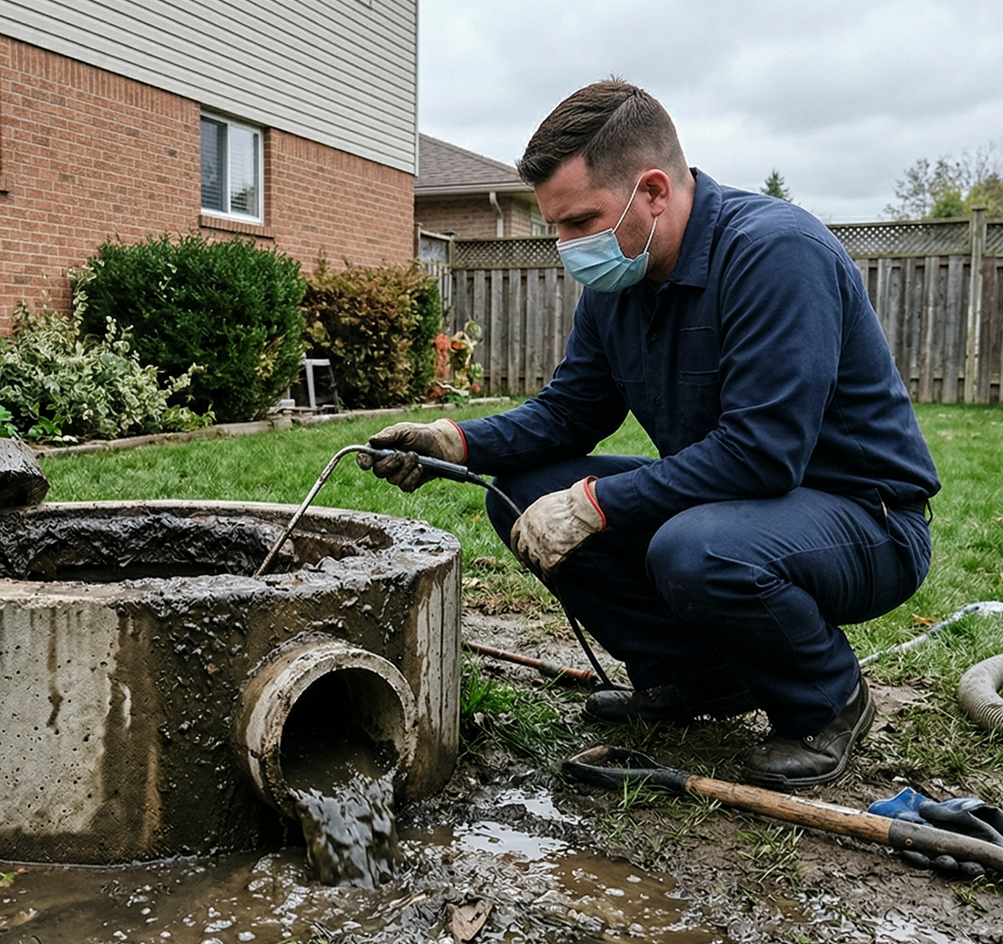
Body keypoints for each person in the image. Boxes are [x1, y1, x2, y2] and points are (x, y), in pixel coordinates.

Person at [363, 80, 939, 790]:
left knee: (694, 550)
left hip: (865, 518)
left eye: (580, 221)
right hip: (745, 504)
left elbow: (762, 455)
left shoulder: (776, 255)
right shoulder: (620, 287)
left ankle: (827, 700)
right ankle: (698, 677)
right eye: (556, 227)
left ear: (655, 192)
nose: (567, 247)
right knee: (524, 495)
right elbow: (569, 413)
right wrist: (457, 439)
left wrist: (595, 504)